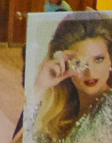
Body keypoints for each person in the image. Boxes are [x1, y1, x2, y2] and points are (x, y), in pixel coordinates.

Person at [27, 12, 112, 142]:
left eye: (99, 59)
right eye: (79, 62)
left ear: (110, 60)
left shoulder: (109, 110)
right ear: (65, 64)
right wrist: (39, 88)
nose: (90, 72)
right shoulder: (64, 113)